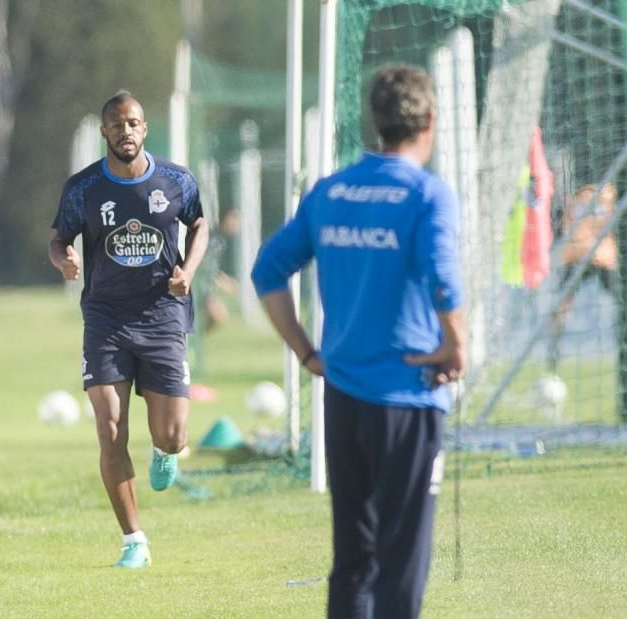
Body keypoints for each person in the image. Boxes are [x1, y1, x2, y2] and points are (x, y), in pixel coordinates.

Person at [250, 64, 466, 618]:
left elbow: (268, 272)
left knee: (354, 557)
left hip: (343, 396)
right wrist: (456, 345)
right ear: (430, 121)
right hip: (408, 394)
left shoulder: (331, 191)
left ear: (375, 123)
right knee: (402, 558)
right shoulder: (426, 194)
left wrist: (305, 351)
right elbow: (443, 276)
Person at [48, 91, 209, 569]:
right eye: (117, 125)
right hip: (105, 318)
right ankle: (133, 540)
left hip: (163, 315)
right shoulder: (83, 189)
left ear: (145, 129)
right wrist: (65, 259)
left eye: (134, 123)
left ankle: (166, 450)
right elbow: (58, 238)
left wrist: (190, 271)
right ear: (104, 131)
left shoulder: (176, 180)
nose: (126, 132)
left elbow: (200, 224)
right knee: (110, 426)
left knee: (174, 436)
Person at [547, 183, 618, 373]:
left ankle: (551, 366)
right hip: (584, 257)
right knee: (560, 308)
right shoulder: (607, 193)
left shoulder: (583, 193)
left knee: (561, 308)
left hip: (594, 257)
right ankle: (552, 364)